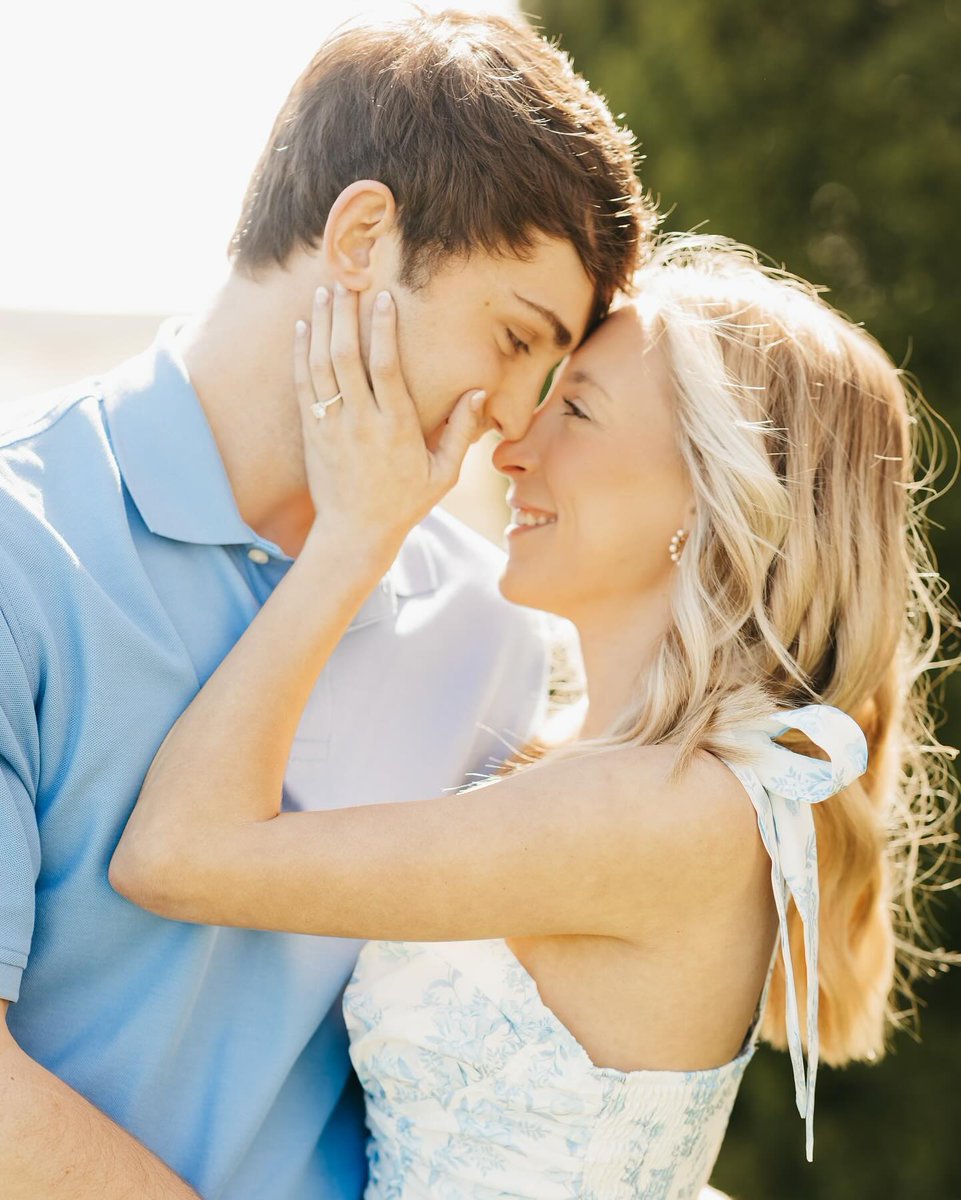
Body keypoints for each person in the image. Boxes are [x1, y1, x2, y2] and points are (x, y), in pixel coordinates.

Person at [110, 234, 957, 1199]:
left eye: (578, 410)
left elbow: (169, 855)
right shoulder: (624, 778)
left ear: (717, 497)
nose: (512, 446)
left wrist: (350, 542)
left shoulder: (647, 811)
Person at [0, 12, 650, 1199]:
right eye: (513, 340)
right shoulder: (18, 552)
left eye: (548, 375)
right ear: (361, 237)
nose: (513, 422)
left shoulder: (488, 641)